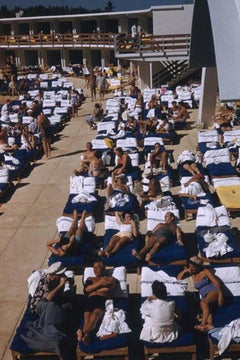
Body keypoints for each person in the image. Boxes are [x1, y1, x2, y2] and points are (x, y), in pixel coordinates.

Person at [177, 256, 224, 332]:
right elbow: (178, 278)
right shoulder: (191, 273)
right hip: (204, 295)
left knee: (203, 302)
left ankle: (202, 324)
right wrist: (187, 270)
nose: (191, 269)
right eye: (190, 266)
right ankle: (210, 325)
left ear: (198, 267)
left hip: (213, 291)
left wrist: (220, 295)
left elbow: (216, 283)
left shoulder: (205, 271)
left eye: (193, 267)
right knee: (206, 307)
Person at [77, 260, 117, 345]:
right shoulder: (90, 279)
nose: (95, 270)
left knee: (95, 315)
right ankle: (87, 335)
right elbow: (86, 289)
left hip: (101, 299)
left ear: (103, 268)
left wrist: (93, 288)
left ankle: (85, 332)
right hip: (89, 300)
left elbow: (107, 289)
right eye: (94, 268)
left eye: (98, 268)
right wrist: (101, 283)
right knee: (87, 317)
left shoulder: (110, 278)